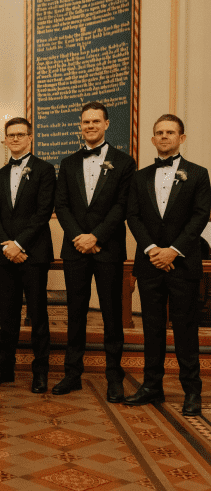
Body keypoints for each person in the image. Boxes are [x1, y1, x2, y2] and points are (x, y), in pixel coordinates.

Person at [125, 114, 211, 416]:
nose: (164, 136)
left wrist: (173, 251)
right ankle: (152, 386)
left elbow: (200, 216)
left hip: (182, 264)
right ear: (152, 139)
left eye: (170, 132)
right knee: (152, 328)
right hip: (150, 263)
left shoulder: (199, 175)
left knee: (186, 328)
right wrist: (152, 250)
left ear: (181, 138)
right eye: (159, 132)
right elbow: (133, 216)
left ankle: (191, 391)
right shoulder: (139, 177)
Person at [53, 101, 136, 402]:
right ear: (81, 125)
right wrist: (79, 237)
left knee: (112, 315)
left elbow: (121, 206)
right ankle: (72, 373)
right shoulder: (68, 162)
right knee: (75, 312)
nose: (90, 126)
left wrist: (96, 236)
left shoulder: (124, 163)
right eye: (85, 122)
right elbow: (61, 205)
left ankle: (114, 376)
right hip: (76, 249)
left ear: (106, 124)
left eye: (95, 121)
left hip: (107, 248)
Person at [0, 117, 56, 393]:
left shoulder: (45, 170)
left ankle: (40, 373)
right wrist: (6, 245)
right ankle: (5, 369)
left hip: (33, 254)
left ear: (30, 137)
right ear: (5, 139)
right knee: (7, 316)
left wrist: (19, 245)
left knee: (38, 315)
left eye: (20, 134)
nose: (15, 139)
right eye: (10, 135)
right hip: (4, 255)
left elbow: (43, 213)